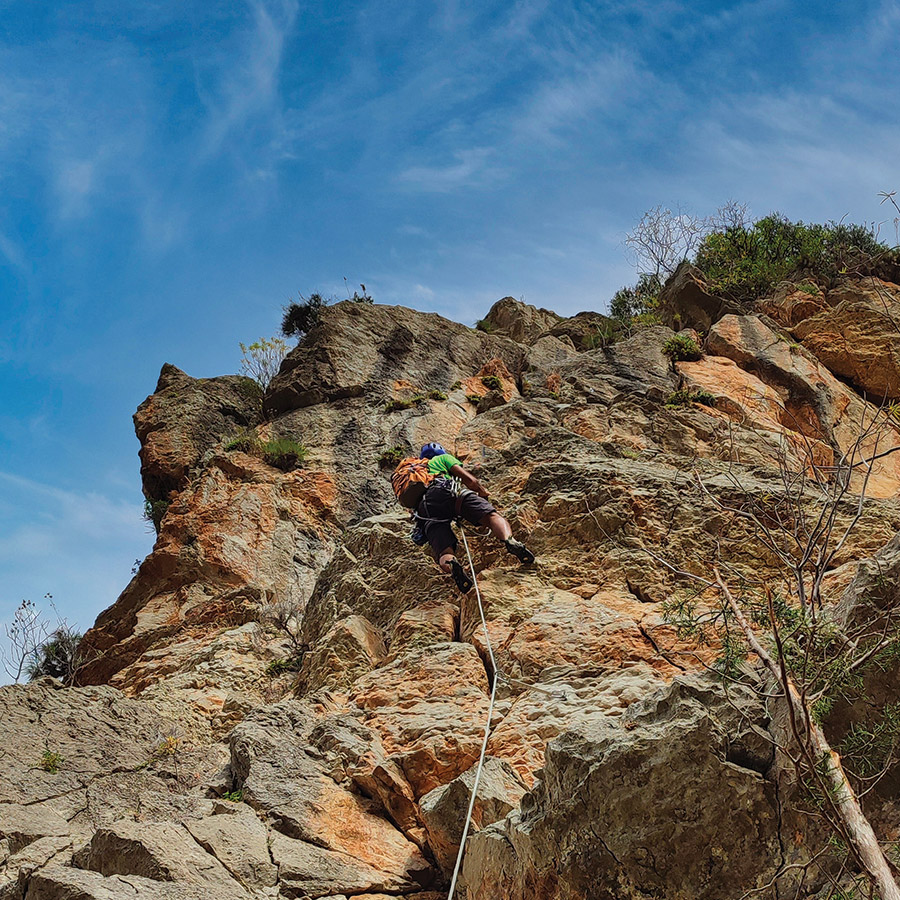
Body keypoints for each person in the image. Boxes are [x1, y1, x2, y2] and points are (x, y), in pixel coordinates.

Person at [412, 442, 535, 593]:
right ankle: (510, 541)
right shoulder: (443, 459)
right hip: (446, 491)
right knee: (492, 516)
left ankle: (451, 564)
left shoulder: (416, 472)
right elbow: (470, 481)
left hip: (426, 510)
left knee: (444, 552)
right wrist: (482, 493)